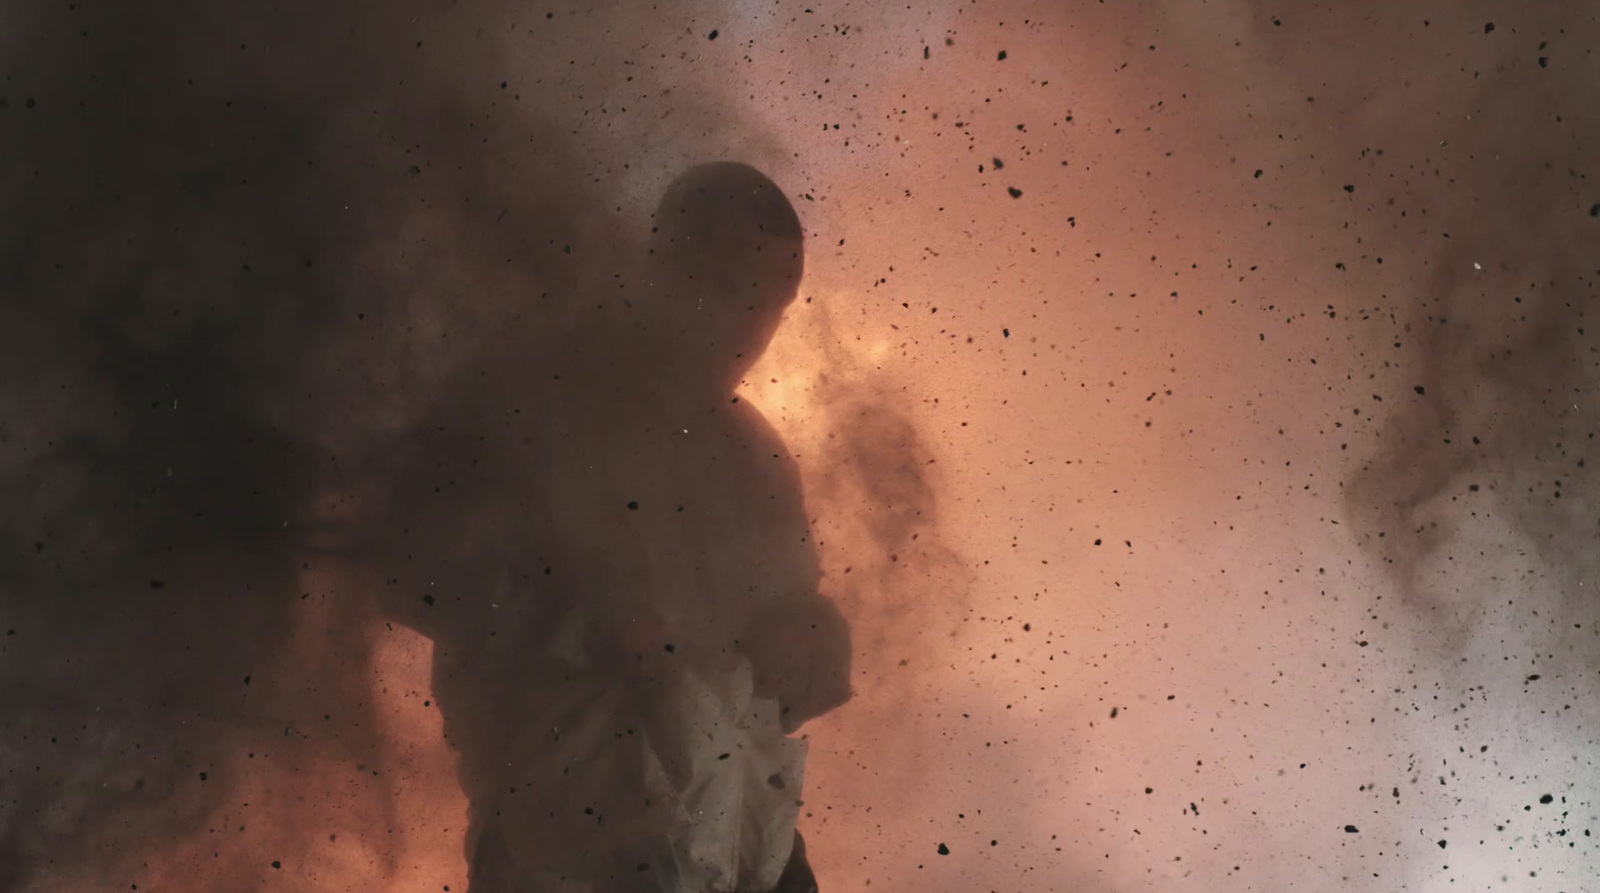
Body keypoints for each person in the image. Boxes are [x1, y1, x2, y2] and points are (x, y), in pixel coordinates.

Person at [392, 162, 850, 893]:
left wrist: (808, 641)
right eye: (727, 290)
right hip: (571, 838)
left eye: (771, 303)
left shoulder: (755, 459)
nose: (747, 326)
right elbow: (411, 566)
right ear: (661, 268)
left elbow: (799, 612)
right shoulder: (525, 402)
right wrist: (586, 617)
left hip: (735, 837)